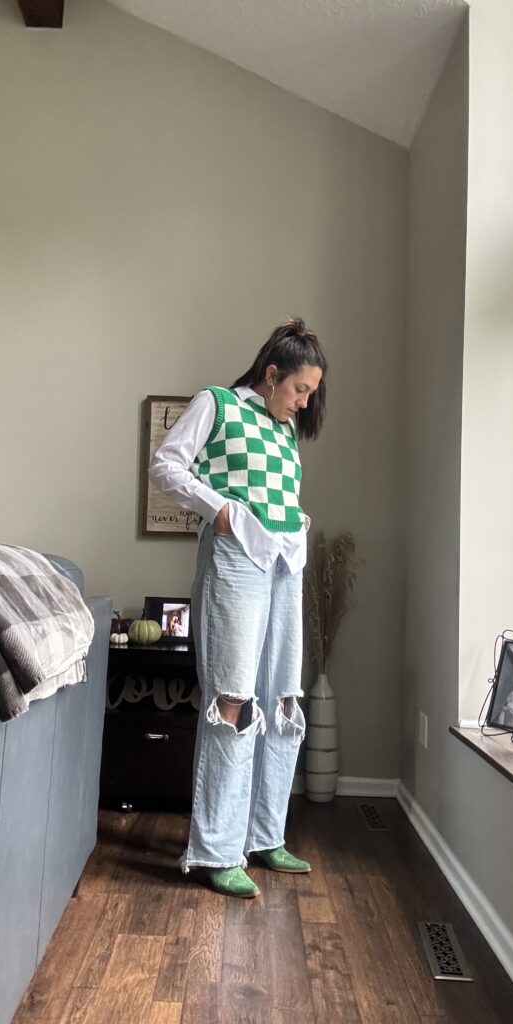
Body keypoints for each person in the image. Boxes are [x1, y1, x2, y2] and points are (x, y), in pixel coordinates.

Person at [148, 316, 326, 899]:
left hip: (283, 567)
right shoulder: (218, 405)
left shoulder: (284, 431)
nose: (304, 402)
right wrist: (217, 509)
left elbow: (278, 494)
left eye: (310, 394)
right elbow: (166, 466)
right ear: (272, 375)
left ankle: (264, 833)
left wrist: (295, 523)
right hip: (234, 563)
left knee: (282, 696)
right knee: (232, 698)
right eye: (300, 389)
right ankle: (219, 849)